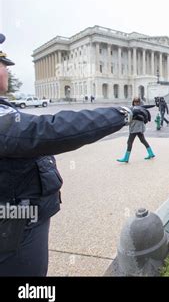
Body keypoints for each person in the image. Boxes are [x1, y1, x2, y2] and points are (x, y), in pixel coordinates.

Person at [0, 38, 142, 276]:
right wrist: (121, 114)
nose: (7, 69)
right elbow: (50, 130)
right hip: (14, 225)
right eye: (3, 64)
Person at [117, 97, 156, 163]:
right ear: (133, 102)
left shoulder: (138, 110)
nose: (136, 103)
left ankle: (126, 158)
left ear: (139, 102)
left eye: (137, 102)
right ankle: (151, 153)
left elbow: (137, 119)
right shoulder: (135, 109)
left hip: (135, 128)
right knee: (143, 140)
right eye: (135, 102)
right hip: (137, 128)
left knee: (129, 142)